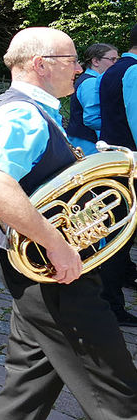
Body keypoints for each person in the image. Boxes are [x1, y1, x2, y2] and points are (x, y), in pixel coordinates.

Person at [0, 27, 137, 418]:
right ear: (41, 65)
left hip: (41, 278)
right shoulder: (20, 113)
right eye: (72, 60)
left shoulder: (35, 110)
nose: (79, 68)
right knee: (120, 398)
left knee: (27, 391)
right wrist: (57, 245)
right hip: (57, 275)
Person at [97, 25, 137, 324]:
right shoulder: (131, 72)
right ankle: (112, 303)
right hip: (129, 164)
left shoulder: (114, 70)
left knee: (120, 230)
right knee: (121, 232)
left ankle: (118, 287)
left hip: (117, 161)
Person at [66, 42, 117, 155]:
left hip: (85, 140)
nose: (115, 63)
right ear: (95, 61)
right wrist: (118, 124)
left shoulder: (91, 80)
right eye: (112, 59)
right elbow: (91, 119)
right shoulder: (91, 82)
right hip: (87, 143)